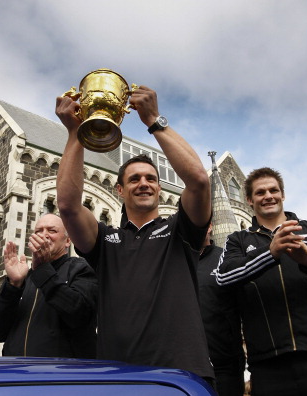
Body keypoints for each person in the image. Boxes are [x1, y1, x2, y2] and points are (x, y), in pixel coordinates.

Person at [55, 85, 214, 382]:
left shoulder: (180, 229)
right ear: (120, 189)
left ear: (159, 187)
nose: (144, 183)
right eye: (135, 179)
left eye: (151, 179)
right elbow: (67, 205)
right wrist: (76, 135)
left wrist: (154, 120)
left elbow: (199, 181)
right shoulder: (105, 240)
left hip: (181, 374)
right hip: (118, 375)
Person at [215, 167, 307, 396]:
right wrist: (269, 253)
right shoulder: (239, 240)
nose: (268, 196)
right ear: (249, 200)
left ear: (282, 195)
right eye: (260, 192)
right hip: (269, 364)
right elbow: (223, 277)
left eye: (273, 190)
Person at [0, 213, 97, 358]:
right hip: (18, 373)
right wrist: (13, 285)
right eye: (39, 231)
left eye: (52, 231)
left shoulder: (81, 269)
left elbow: (80, 315)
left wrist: (43, 272)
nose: (44, 235)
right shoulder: (25, 278)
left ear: (68, 241)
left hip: (62, 376)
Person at [198, 224, 245, 396]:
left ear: (209, 227)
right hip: (185, 365)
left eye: (200, 223)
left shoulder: (226, 259)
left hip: (225, 365)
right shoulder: (175, 261)